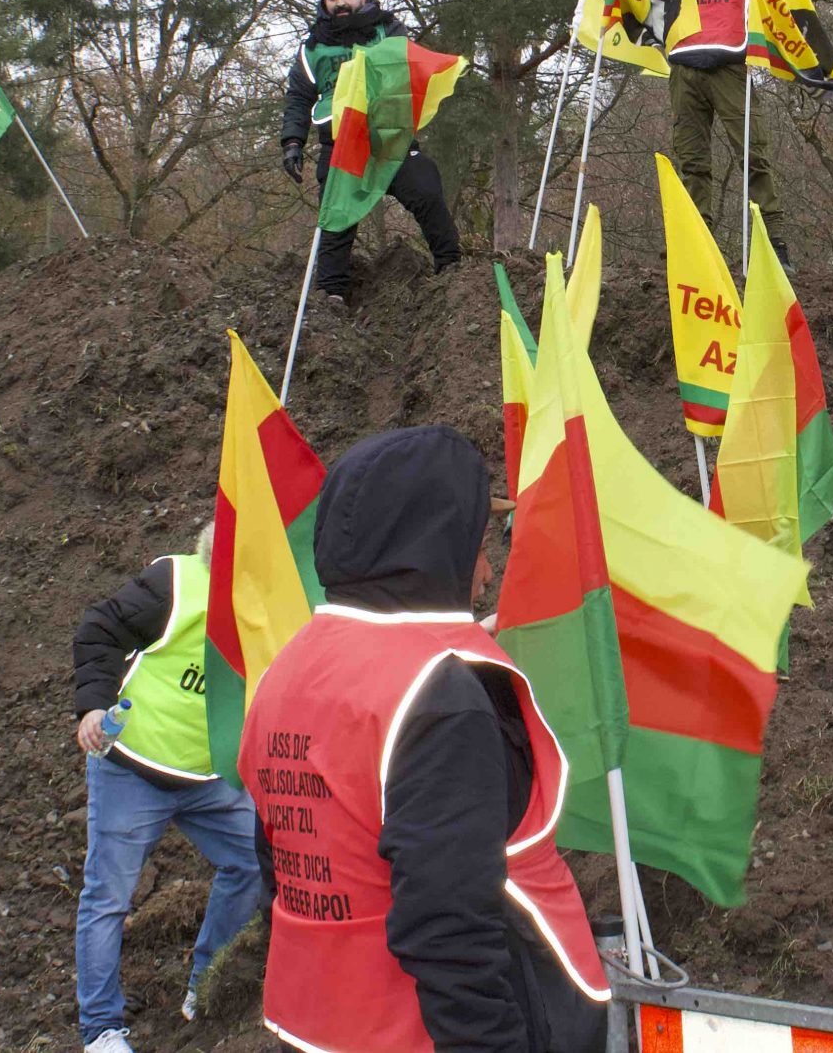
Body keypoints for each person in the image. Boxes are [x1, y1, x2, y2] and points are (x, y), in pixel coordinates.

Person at [241, 425, 609, 1053]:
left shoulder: (289, 668)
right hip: (422, 1033)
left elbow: (281, 858)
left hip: (318, 1022)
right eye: (477, 545)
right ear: (438, 544)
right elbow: (447, 927)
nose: (487, 572)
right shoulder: (440, 699)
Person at [71, 526, 266, 1053]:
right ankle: (101, 1030)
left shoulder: (277, 608)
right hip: (132, 768)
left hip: (210, 778)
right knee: (108, 898)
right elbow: (99, 629)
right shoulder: (174, 582)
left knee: (252, 861)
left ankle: (207, 985)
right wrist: (92, 706)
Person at [279, 0, 463, 303]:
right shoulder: (312, 48)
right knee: (336, 216)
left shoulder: (389, 32)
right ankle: (330, 295)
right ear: (324, 1)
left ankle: (452, 269)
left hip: (388, 137)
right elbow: (299, 97)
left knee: (426, 189)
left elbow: (407, 73)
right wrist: (292, 142)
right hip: (340, 143)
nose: (340, 2)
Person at [667, 0, 785, 258]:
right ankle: (696, 250)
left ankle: (773, 244)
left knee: (753, 154)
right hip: (683, 65)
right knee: (691, 162)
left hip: (731, 64)